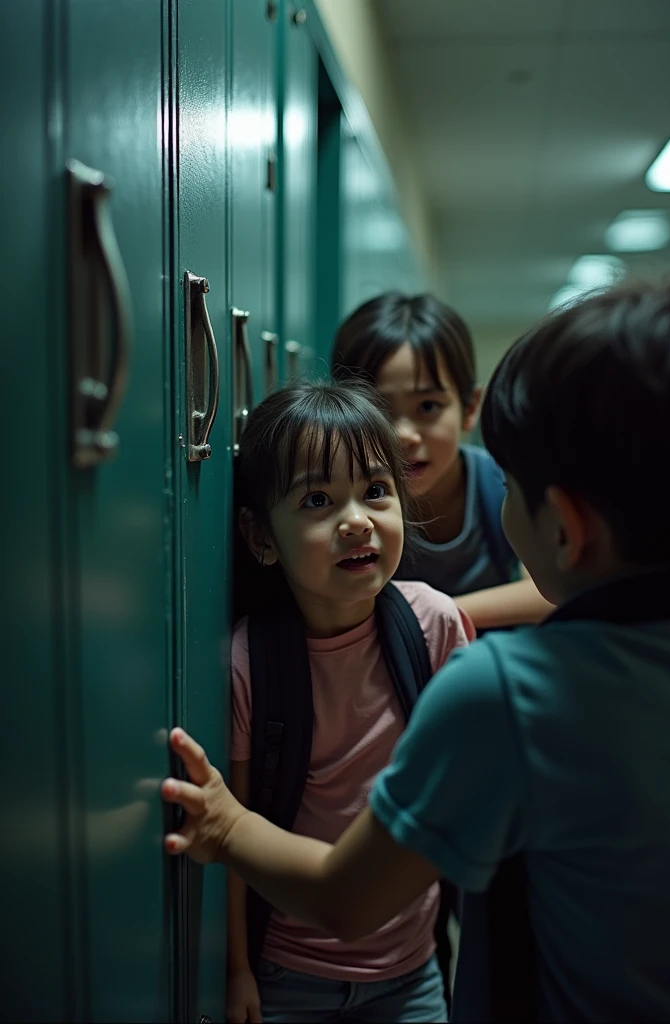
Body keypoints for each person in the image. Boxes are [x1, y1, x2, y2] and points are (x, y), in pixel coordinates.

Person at [162, 279, 670, 1023]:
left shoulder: (502, 691)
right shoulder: (264, 658)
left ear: (564, 526)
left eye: (509, 482)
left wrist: (225, 826)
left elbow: (347, 897)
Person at [224, 380, 472, 1023]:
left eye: (376, 491)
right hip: (289, 976)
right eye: (317, 499)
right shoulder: (247, 663)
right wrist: (239, 969)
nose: (358, 518)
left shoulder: (434, 625)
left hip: (412, 971)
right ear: (261, 537)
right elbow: (233, 834)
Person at [331, 292, 554, 631]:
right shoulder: (340, 507)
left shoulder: (501, 485)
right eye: (378, 409)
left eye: (428, 407)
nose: (404, 434)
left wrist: (434, 615)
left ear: (469, 408)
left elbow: (554, 592)